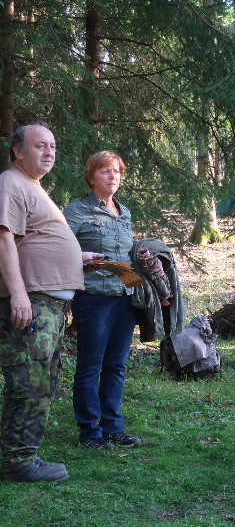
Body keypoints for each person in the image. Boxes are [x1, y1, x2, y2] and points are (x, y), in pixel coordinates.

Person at [0, 123, 84, 482]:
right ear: (19, 151)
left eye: (53, 146)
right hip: (31, 302)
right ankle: (17, 461)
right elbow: (4, 241)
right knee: (28, 380)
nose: (49, 152)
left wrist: (79, 256)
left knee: (44, 378)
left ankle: (24, 454)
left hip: (48, 304)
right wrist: (18, 293)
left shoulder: (32, 186)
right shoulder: (10, 183)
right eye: (40, 146)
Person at [63, 151, 141, 451]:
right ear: (91, 177)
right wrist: (80, 256)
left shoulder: (124, 212)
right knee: (90, 365)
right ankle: (89, 431)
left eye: (117, 171)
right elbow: (58, 247)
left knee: (116, 365)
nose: (113, 176)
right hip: (93, 298)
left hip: (124, 297)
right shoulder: (77, 210)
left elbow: (126, 254)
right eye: (105, 171)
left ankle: (112, 428)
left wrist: (144, 259)